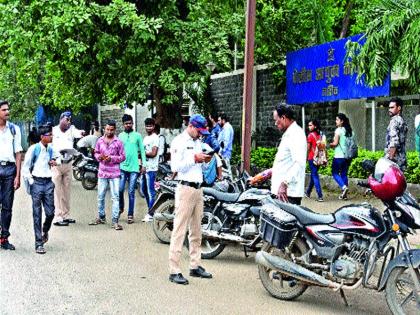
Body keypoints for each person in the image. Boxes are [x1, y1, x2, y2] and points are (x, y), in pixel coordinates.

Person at [168, 114, 213, 285]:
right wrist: (194, 158)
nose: (200, 134)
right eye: (199, 131)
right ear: (191, 126)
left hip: (198, 189)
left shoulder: (198, 143)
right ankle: (174, 270)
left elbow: (199, 165)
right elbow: (175, 166)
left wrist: (205, 159)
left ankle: (195, 265)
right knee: (179, 230)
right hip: (185, 188)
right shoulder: (179, 141)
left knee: (196, 230)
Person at [22, 124, 57, 254]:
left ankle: (45, 229)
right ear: (42, 137)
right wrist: (31, 181)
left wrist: (55, 161)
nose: (52, 137)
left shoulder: (51, 149)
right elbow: (26, 168)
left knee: (50, 213)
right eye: (49, 135)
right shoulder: (34, 149)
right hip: (36, 182)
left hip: (48, 183)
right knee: (37, 214)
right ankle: (38, 243)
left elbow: (58, 159)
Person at [90, 120, 125, 230]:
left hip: (115, 173)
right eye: (107, 129)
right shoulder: (99, 141)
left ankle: (115, 221)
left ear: (114, 130)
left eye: (111, 130)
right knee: (100, 196)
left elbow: (123, 157)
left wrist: (112, 158)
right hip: (102, 172)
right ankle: (101, 217)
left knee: (115, 197)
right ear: (104, 129)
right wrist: (98, 157)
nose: (109, 131)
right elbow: (95, 152)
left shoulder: (118, 142)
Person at [52, 111, 85, 226]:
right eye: (66, 119)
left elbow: (78, 133)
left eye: (70, 120)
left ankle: (65, 215)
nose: (68, 122)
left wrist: (82, 132)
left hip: (68, 164)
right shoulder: (53, 131)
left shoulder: (72, 129)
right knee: (57, 191)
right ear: (61, 119)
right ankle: (57, 216)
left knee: (67, 191)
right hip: (57, 164)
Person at [271, 105, 306, 205]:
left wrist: (284, 183)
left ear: (283, 118)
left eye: (276, 120)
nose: (275, 123)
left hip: (288, 194)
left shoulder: (296, 134)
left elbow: (299, 163)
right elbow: (285, 161)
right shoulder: (289, 133)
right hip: (283, 192)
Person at [0, 100, 23, 250]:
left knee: (7, 207)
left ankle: (4, 238)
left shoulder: (14, 129)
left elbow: (18, 153)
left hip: (9, 170)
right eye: (4, 110)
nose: (7, 112)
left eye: (8, 109)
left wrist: (17, 176)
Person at [118, 114, 146, 224]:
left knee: (131, 192)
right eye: (126, 123)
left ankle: (130, 214)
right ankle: (121, 207)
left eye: (130, 123)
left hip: (134, 168)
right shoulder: (120, 136)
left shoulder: (138, 136)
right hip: (122, 167)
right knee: (120, 189)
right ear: (123, 125)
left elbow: (142, 151)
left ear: (132, 123)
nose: (128, 125)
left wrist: (143, 165)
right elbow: (118, 151)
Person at [329, 113, 353, 200]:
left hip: (339, 155)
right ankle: (344, 195)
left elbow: (335, 143)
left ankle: (343, 187)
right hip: (347, 156)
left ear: (342, 121)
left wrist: (330, 144)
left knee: (334, 173)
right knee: (344, 173)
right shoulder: (349, 131)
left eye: (337, 120)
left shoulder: (338, 130)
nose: (336, 121)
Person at [141, 118, 159, 222]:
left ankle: (151, 214)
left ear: (154, 126)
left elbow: (153, 153)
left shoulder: (155, 137)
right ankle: (151, 210)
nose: (149, 128)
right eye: (147, 126)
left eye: (150, 126)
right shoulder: (145, 138)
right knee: (144, 190)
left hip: (152, 168)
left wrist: (142, 153)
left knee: (151, 192)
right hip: (145, 167)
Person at [385, 97, 408, 171]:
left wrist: (389, 160)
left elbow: (394, 142)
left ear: (399, 108)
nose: (389, 110)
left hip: (394, 162)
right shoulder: (402, 120)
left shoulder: (394, 121)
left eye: (392, 107)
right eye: (389, 108)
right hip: (401, 160)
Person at [305, 120, 324, 202]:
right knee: (314, 174)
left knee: (315, 175)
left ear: (315, 126)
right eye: (308, 125)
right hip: (319, 158)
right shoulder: (320, 135)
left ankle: (320, 195)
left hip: (311, 158)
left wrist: (305, 158)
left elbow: (308, 148)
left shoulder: (310, 136)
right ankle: (308, 192)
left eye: (310, 125)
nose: (309, 127)